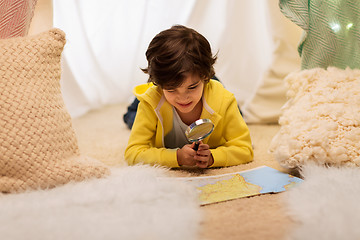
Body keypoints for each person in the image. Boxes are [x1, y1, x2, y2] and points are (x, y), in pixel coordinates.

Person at [124, 25, 253, 168]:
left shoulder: (223, 99)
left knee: (234, 109)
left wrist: (213, 157)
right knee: (132, 116)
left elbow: (245, 149)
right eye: (172, 89)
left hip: (209, 86)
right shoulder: (151, 101)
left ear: (204, 77)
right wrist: (176, 157)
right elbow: (133, 153)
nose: (183, 98)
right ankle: (137, 104)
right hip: (157, 93)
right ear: (160, 85)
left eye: (192, 87)